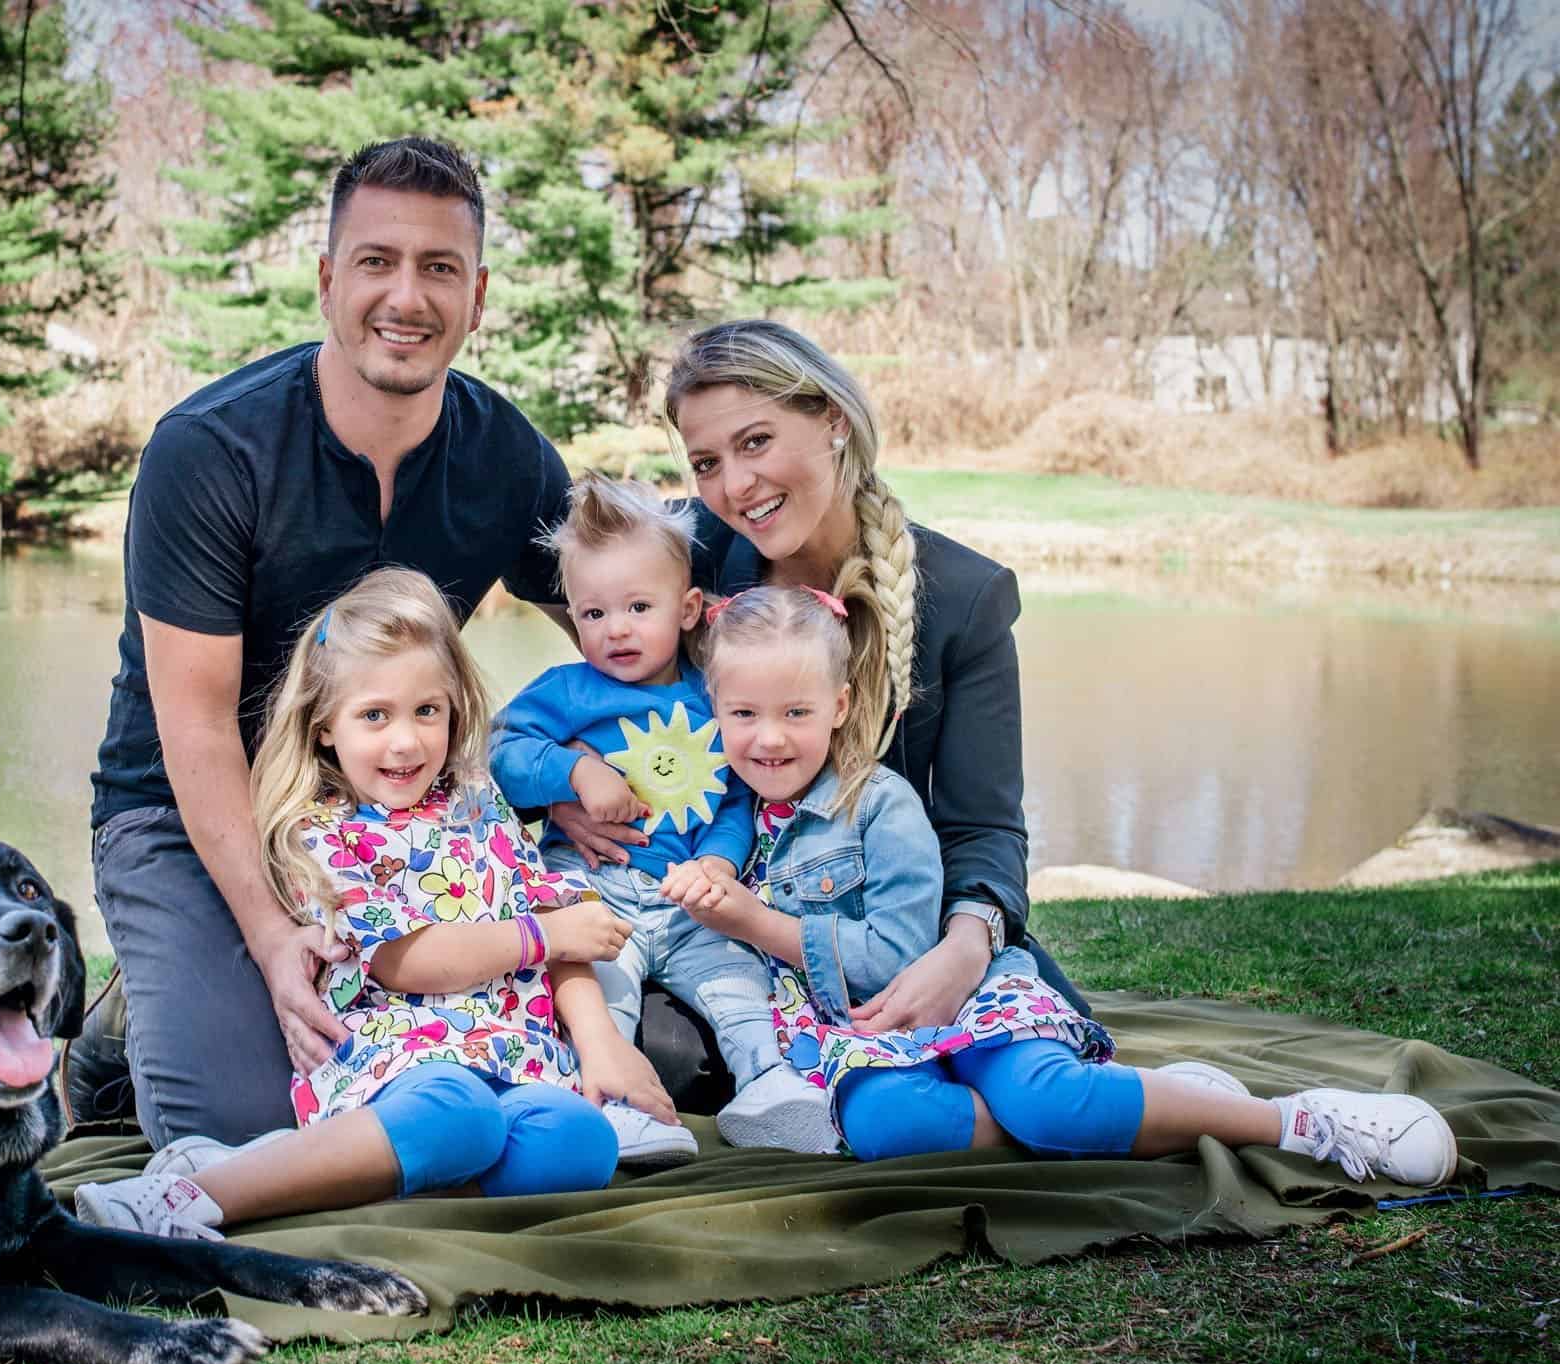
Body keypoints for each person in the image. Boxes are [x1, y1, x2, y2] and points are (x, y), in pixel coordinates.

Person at [81, 138, 575, 1152]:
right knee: (244, 1127)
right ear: (325, 281)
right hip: (190, 811)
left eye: (439, 268)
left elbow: (628, 626)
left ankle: (179, 998)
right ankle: (133, 1011)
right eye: (376, 261)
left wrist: (588, 762)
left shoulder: (508, 458)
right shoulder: (210, 451)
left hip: (399, 814)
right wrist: (269, 935)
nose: (407, 296)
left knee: (561, 1051)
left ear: (476, 297)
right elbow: (195, 725)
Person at [662, 582, 1457, 1186]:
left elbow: (897, 957)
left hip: (952, 996)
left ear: (839, 707)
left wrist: (756, 923)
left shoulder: (880, 805)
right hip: (858, 1040)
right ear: (716, 711)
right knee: (889, 1128)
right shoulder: (728, 818)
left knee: (1040, 1098)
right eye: (745, 714)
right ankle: (1144, 1111)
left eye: (795, 711)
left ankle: (1292, 1120)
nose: (769, 737)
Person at [542, 319, 1084, 1104]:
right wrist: (570, 785)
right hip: (703, 914)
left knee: (1040, 1060)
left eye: (756, 442)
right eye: (706, 463)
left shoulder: (966, 598)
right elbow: (589, 657)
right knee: (673, 1057)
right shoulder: (682, 550)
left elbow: (985, 828)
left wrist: (963, 949)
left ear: (833, 418)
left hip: (872, 922)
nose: (735, 486)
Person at [74, 569, 679, 1237]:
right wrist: (542, 936)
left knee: (580, 1140)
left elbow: (559, 928)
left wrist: (598, 1044)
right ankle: (196, 1195)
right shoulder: (321, 829)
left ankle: (352, 1184)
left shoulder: (477, 802)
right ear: (325, 725)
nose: (405, 740)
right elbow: (403, 960)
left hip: (513, 1060)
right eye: (374, 715)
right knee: (457, 1113)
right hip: (393, 1068)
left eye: (428, 711)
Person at [491, 475, 828, 1161]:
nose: (615, 629)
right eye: (592, 614)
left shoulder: (716, 697)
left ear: (688, 607)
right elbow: (502, 752)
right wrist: (575, 773)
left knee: (737, 984)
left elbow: (736, 800)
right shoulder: (565, 692)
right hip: (595, 890)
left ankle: (770, 1087)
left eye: (638, 606)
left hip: (689, 899)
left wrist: (720, 864)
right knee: (597, 989)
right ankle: (619, 1107)